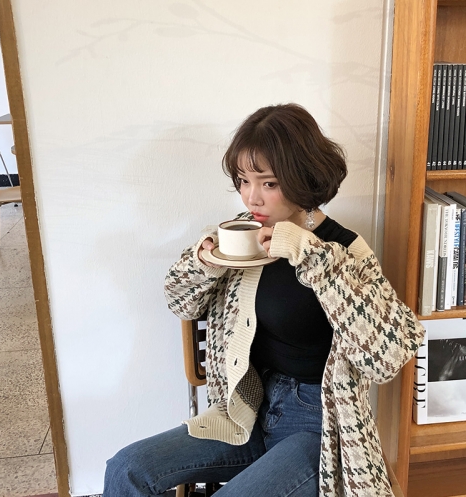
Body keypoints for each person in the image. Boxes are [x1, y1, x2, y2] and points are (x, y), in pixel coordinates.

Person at [103, 104, 425, 496]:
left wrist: (308, 254)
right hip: (248, 411)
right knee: (126, 470)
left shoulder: (345, 250)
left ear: (303, 178)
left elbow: (388, 357)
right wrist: (205, 262)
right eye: (243, 180)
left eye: (268, 183)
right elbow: (181, 303)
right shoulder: (241, 238)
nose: (251, 198)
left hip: (318, 427)